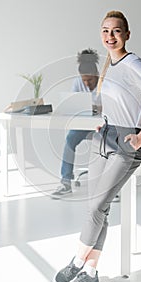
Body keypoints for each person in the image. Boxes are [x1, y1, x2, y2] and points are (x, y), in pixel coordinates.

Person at [53, 10, 141, 282]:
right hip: (103, 138)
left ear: (127, 34)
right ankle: (91, 272)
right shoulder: (108, 63)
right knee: (97, 207)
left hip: (126, 143)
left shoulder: (134, 62)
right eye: (105, 31)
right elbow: (114, 102)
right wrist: (101, 123)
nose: (110, 36)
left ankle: (77, 259)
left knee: (95, 208)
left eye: (116, 31)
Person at [51, 48, 101, 198]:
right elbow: (73, 104)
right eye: (84, 80)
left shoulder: (106, 83)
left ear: (96, 75)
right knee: (70, 140)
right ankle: (66, 183)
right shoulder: (77, 82)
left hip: (103, 126)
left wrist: (97, 107)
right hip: (84, 125)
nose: (86, 84)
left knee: (108, 144)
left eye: (90, 80)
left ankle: (108, 186)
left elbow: (114, 107)